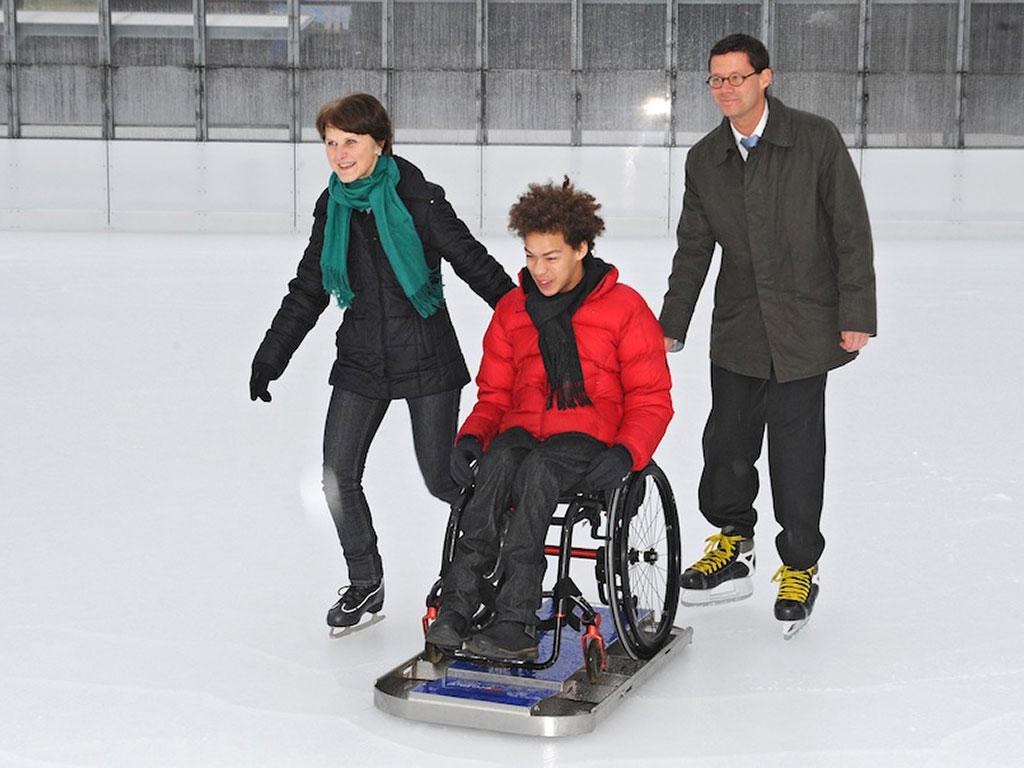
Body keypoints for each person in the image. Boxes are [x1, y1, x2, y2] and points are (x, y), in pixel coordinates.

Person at [249, 93, 514, 629]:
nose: (340, 154)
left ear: (379, 142)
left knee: (443, 479)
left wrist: (531, 324)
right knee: (336, 475)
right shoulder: (334, 208)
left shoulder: (419, 200)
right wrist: (271, 353)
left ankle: (500, 555)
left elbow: (473, 264)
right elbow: (310, 288)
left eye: (351, 141)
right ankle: (366, 583)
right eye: (331, 143)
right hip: (362, 358)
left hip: (427, 355)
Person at [659, 34, 876, 632]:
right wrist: (671, 322)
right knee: (726, 441)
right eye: (716, 79)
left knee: (796, 449)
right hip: (740, 322)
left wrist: (855, 311)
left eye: (736, 77)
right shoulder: (706, 157)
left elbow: (850, 230)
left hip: (806, 323)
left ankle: (799, 565)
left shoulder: (815, 139)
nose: (724, 89)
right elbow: (694, 246)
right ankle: (734, 541)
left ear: (765, 78)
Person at [424, 178, 673, 661]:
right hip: (521, 431)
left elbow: (651, 398)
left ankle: (516, 620)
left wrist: (627, 452)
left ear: (581, 247)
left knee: (537, 471)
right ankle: (457, 607)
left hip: (588, 436)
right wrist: (473, 436)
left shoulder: (624, 309)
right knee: (496, 469)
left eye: (551, 257)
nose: (538, 269)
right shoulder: (513, 310)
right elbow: (494, 393)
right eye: (531, 256)